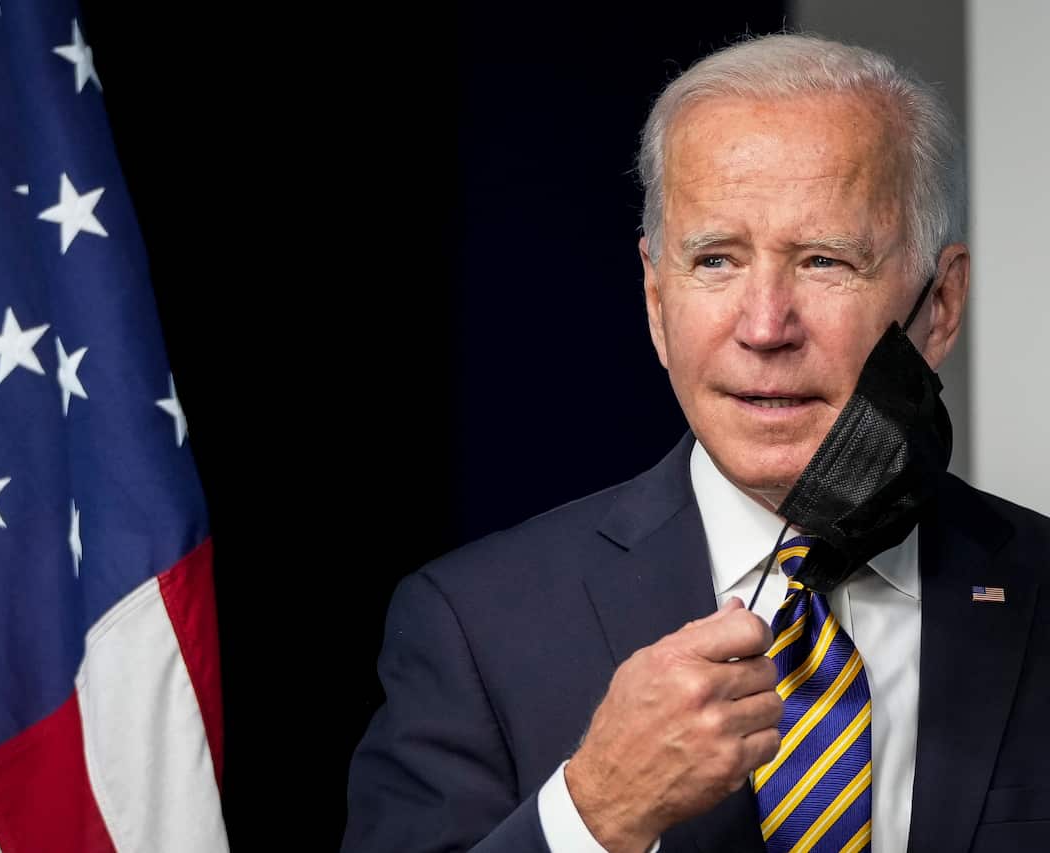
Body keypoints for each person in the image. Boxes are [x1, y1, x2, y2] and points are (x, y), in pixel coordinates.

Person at [342, 32, 1050, 853]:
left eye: (824, 261)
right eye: (715, 260)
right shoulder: (472, 626)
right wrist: (595, 813)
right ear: (655, 299)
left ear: (942, 304)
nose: (763, 327)